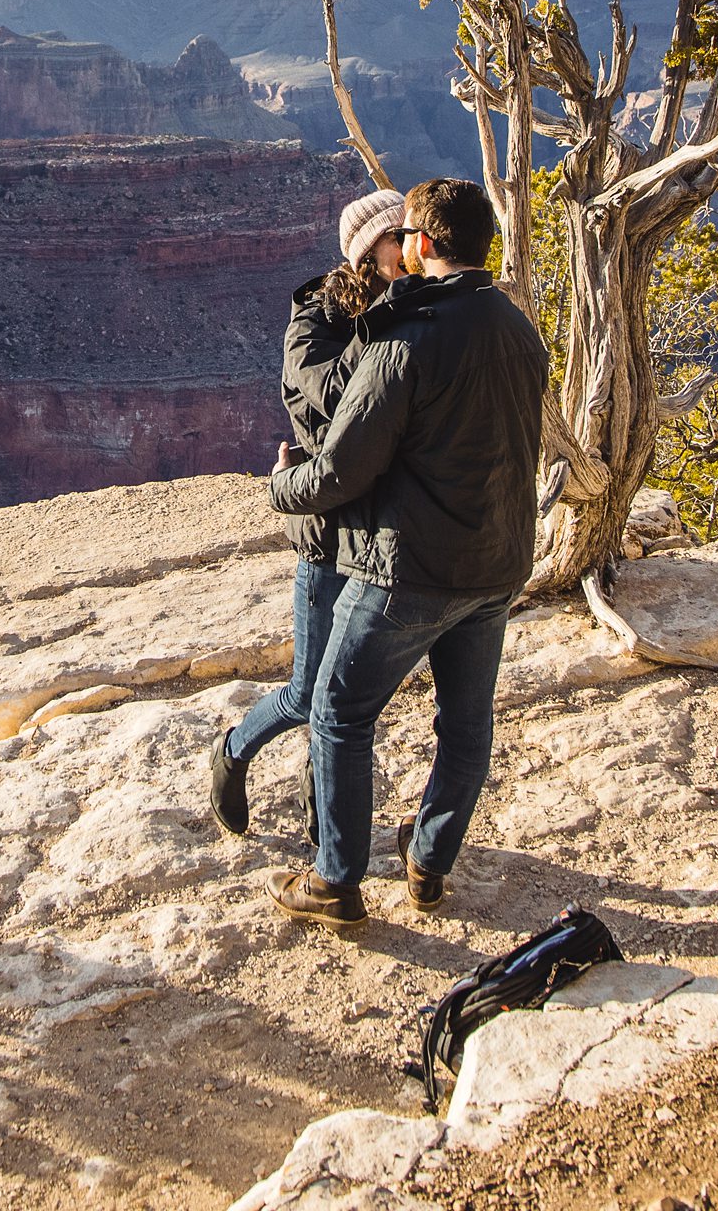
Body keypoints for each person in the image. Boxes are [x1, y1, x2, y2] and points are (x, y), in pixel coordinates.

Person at [263, 176, 549, 926]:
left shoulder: (405, 341)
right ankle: (428, 863)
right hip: (498, 564)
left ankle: (335, 880)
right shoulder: (520, 330)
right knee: (466, 724)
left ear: (422, 244)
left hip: (409, 572)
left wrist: (280, 489)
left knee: (337, 713)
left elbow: (343, 470)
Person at [209, 186, 405, 839]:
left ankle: (326, 833)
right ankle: (234, 750)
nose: (410, 247)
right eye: (396, 236)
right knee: (306, 695)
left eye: (413, 234)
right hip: (328, 532)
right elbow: (319, 397)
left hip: (385, 536)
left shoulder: (416, 304)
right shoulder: (315, 314)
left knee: (350, 703)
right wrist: (391, 320)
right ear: (366, 248)